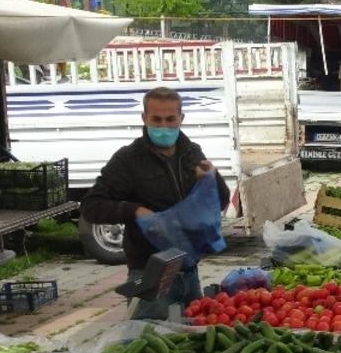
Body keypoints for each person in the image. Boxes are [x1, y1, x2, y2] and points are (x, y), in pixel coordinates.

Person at [82, 87, 230, 320]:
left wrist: (213, 177)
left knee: (193, 343)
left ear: (181, 118)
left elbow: (220, 201)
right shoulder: (128, 159)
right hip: (149, 273)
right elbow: (91, 206)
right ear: (144, 118)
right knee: (150, 342)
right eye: (156, 119)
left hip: (189, 271)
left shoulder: (191, 152)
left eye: (170, 119)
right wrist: (134, 210)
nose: (164, 126)